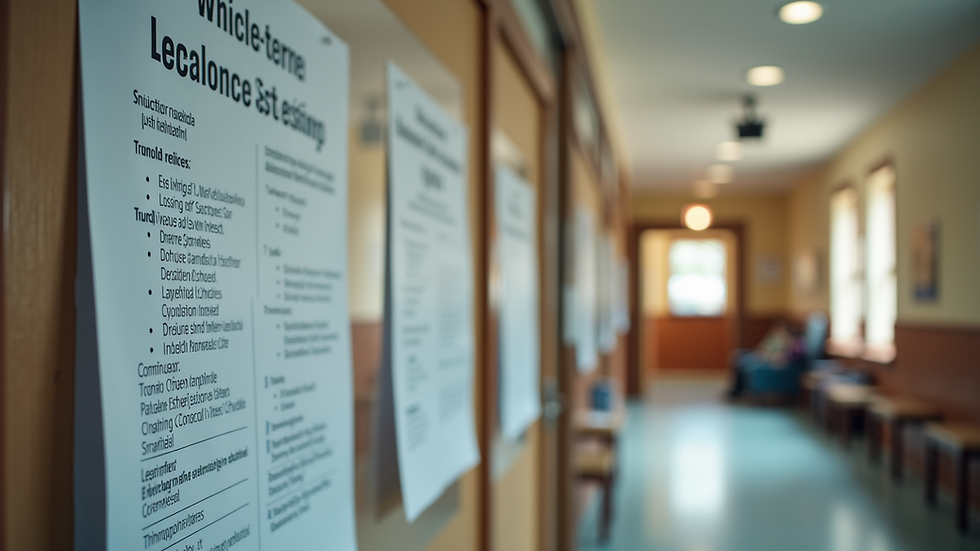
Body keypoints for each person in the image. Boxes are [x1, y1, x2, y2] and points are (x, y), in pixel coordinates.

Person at [725, 321, 804, 400]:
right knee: (739, 356)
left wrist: (782, 357)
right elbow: (762, 348)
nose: (777, 331)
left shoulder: (795, 342)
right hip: (764, 356)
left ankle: (738, 390)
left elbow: (794, 356)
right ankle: (739, 390)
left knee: (744, 361)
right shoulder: (776, 338)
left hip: (771, 362)